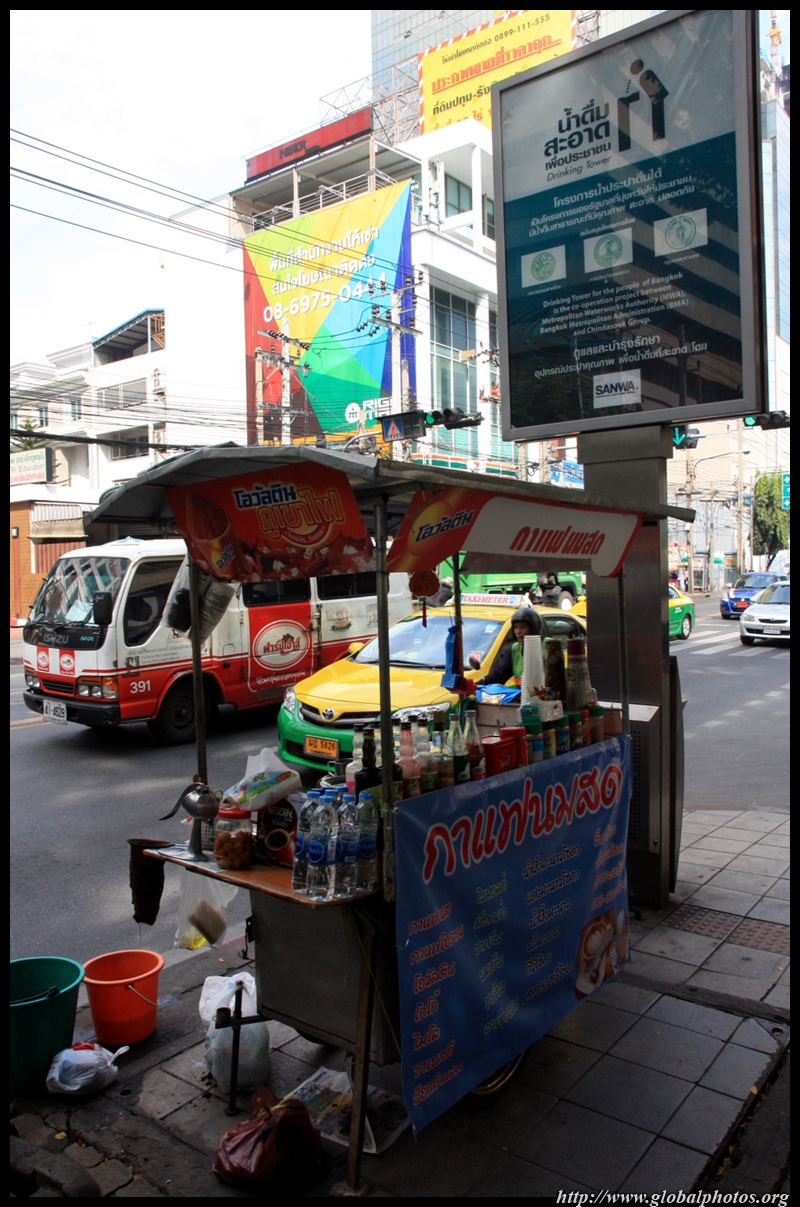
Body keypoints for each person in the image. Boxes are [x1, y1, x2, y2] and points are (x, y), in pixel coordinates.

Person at [480, 606, 545, 686]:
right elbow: (498, 674)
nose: (518, 631)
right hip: (521, 692)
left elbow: (555, 680)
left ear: (533, 627)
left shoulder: (549, 646)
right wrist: (477, 685)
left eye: (523, 627)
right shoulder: (514, 649)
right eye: (515, 627)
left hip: (545, 693)